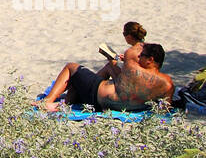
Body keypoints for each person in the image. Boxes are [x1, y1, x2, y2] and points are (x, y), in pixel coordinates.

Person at [40, 44, 173, 113]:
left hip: (97, 97)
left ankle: (46, 101)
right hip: (119, 107)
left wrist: (141, 44)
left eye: (141, 56)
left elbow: (131, 51)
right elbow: (164, 109)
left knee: (71, 68)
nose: (139, 58)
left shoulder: (134, 68)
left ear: (150, 59)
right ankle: (67, 101)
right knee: (104, 70)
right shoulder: (168, 84)